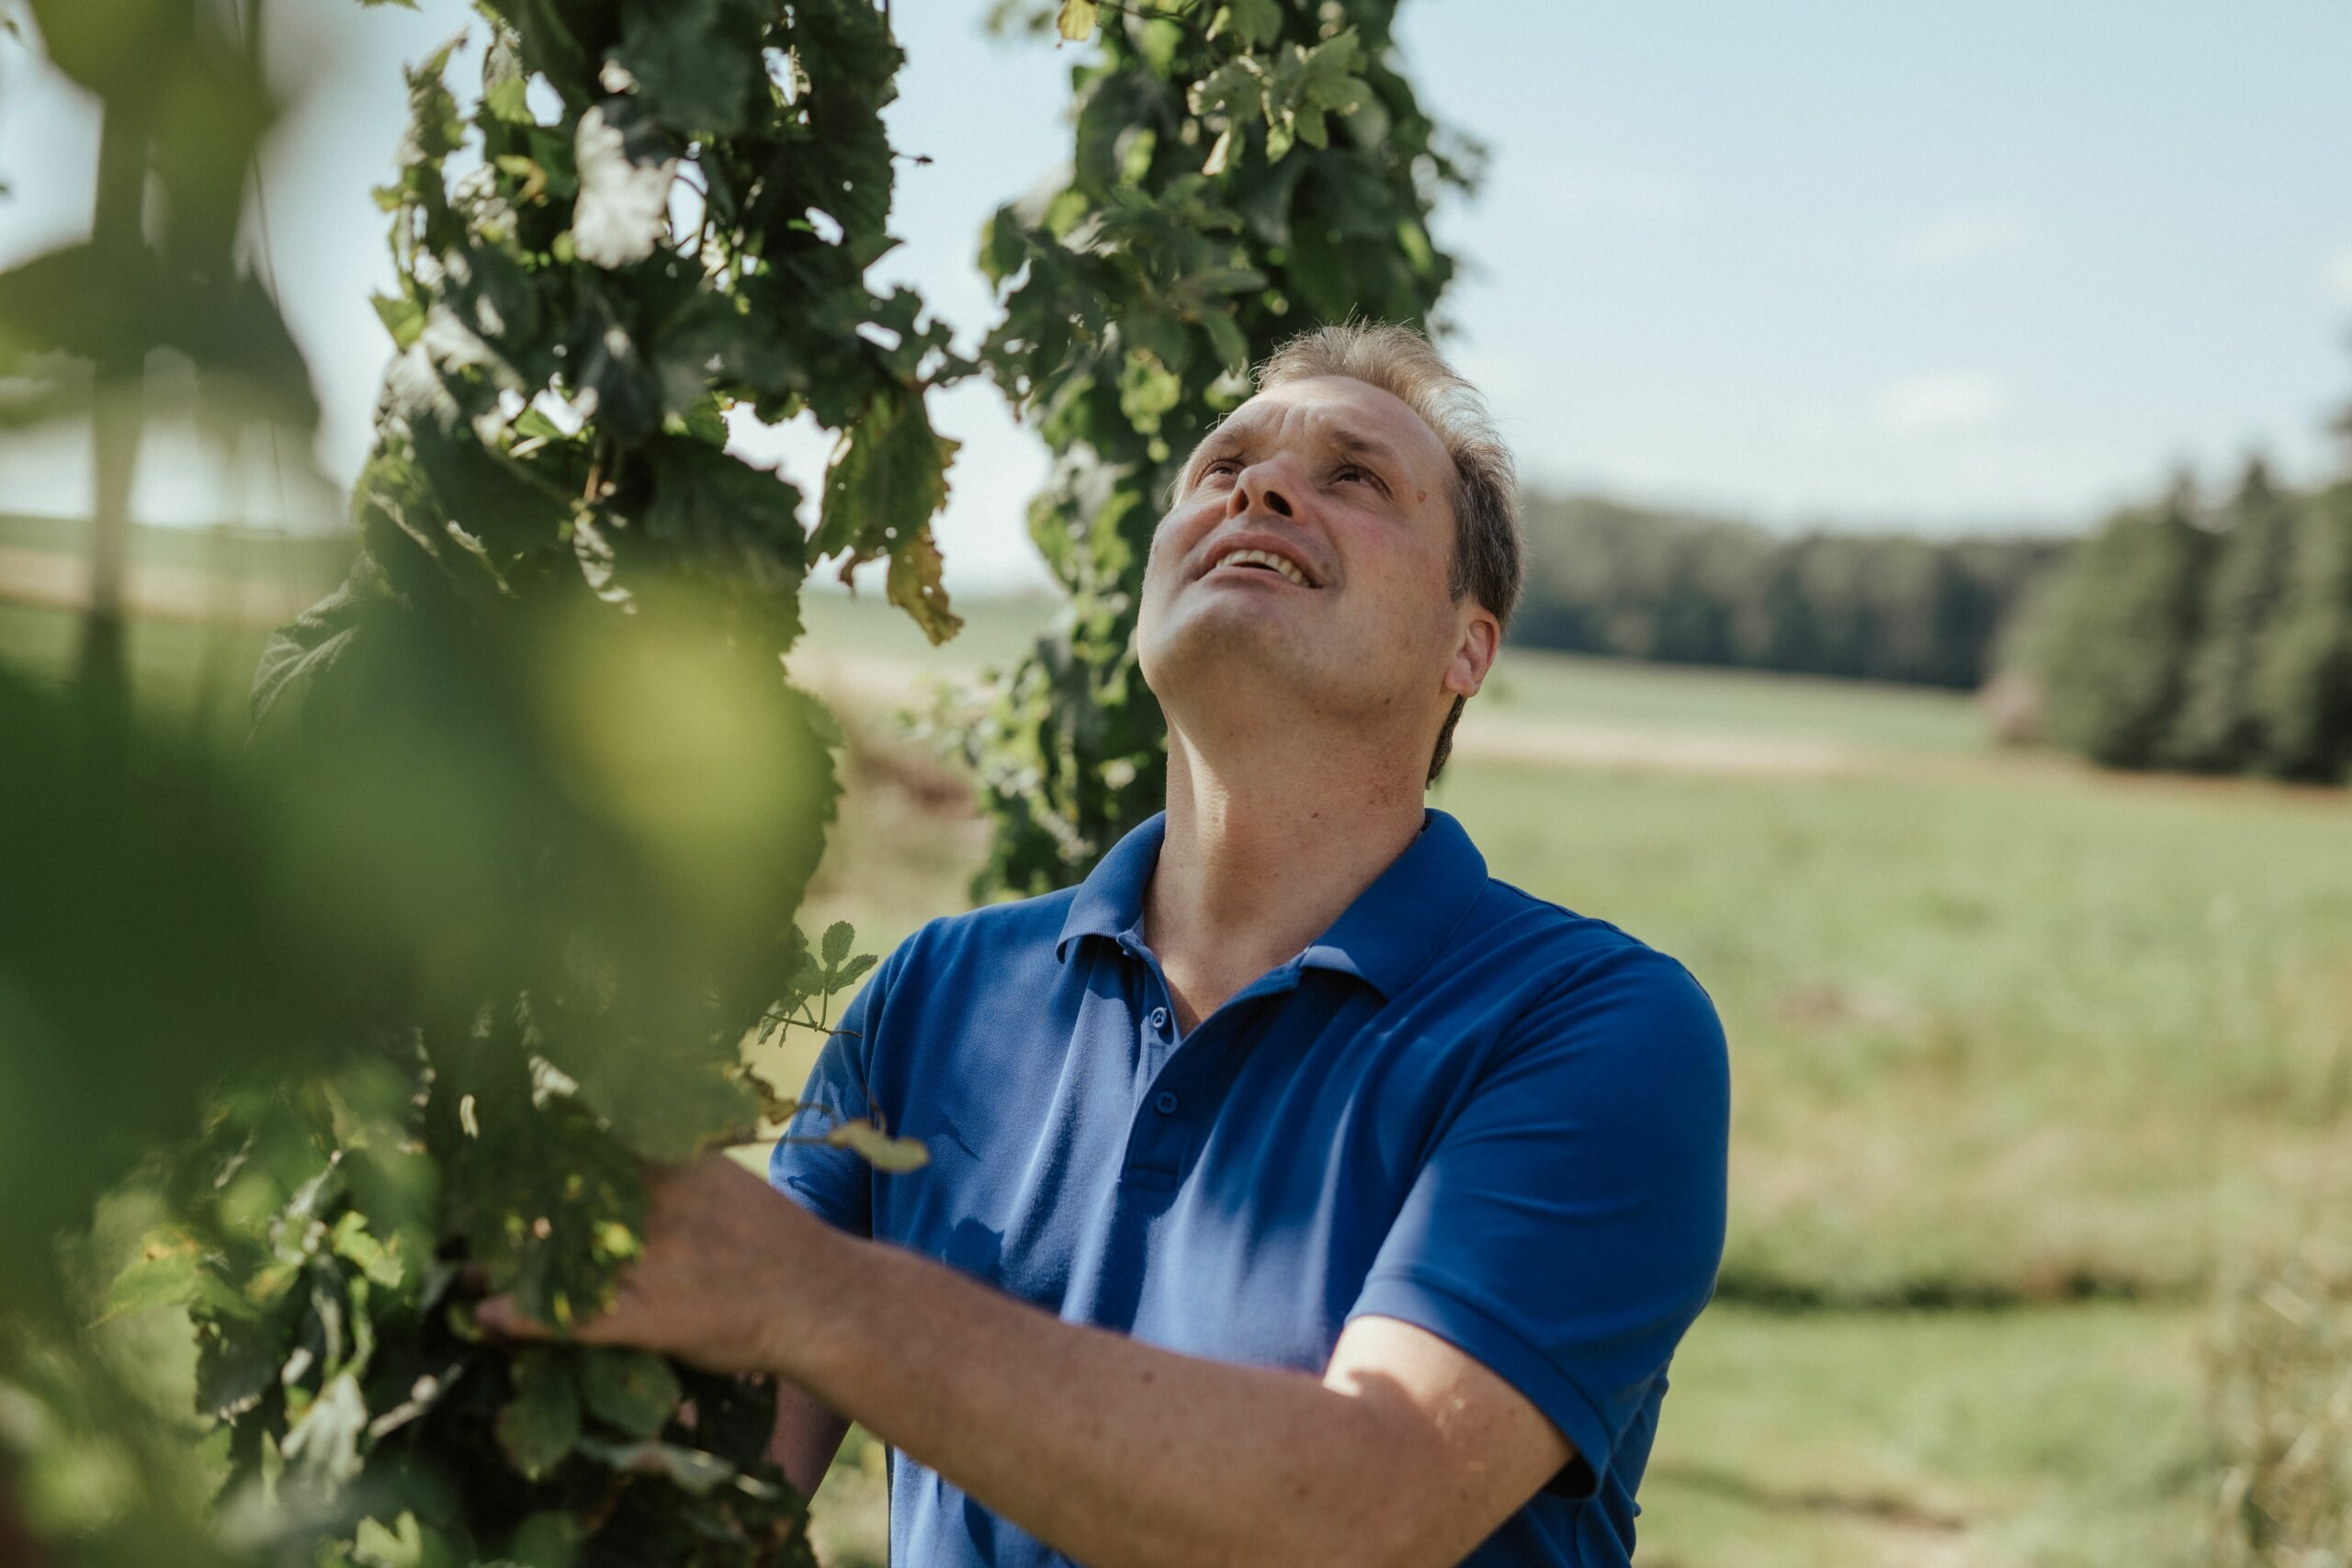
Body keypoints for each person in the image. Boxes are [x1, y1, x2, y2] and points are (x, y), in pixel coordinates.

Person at [481, 321, 1730, 1568]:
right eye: (1221, 467)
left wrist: (807, 1292)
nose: (1259, 488)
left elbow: (1368, 1507)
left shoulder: (1595, 1029)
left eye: (1354, 477)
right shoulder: (933, 995)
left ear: (1470, 644)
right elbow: (710, 1491)